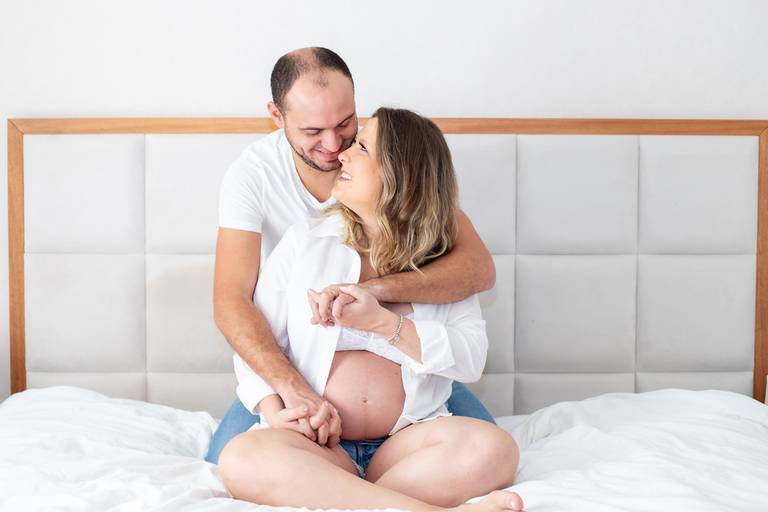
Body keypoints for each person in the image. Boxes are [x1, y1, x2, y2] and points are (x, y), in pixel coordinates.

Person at [219, 108, 523, 511]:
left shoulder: (442, 261)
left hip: (406, 443)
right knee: (241, 458)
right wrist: (278, 411)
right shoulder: (305, 242)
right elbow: (258, 342)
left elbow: (470, 361)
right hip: (319, 445)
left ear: (401, 173)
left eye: (361, 147)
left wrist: (384, 323)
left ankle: (345, 497)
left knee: (494, 448)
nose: (342, 153)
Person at [207, 47, 497, 464]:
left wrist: (373, 295)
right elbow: (231, 300)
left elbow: (477, 270)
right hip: (295, 371)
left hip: (410, 400)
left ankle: (370, 480)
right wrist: (290, 391)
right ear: (277, 116)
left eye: (346, 125)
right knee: (227, 462)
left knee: (490, 451)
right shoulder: (256, 181)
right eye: (313, 130)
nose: (335, 146)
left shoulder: (401, 166)